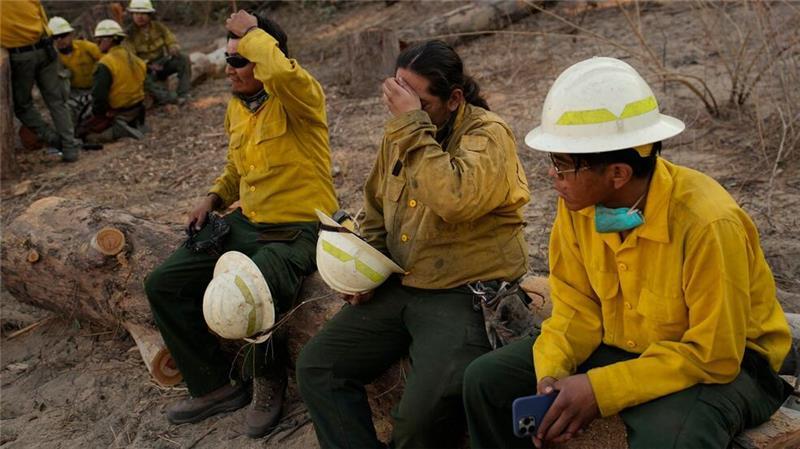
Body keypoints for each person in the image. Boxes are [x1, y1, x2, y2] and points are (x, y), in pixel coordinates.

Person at [462, 56, 792, 449]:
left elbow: (714, 355)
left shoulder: (707, 223)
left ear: (617, 173)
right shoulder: (579, 206)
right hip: (624, 344)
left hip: (731, 365)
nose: (552, 176)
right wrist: (551, 373)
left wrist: (600, 389)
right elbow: (575, 308)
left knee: (672, 439)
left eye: (562, 165)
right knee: (485, 382)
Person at [296, 40, 531, 448]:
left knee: (418, 424)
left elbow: (455, 199)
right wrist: (364, 268)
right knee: (318, 367)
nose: (402, 107)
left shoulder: (489, 135)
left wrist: (410, 126)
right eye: (398, 94)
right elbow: (374, 209)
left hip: (464, 293)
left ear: (454, 98)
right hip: (403, 282)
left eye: (416, 100)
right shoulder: (401, 134)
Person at [143, 10, 337, 439]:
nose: (229, 71)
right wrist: (212, 197)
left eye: (238, 60)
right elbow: (237, 167)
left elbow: (283, 75)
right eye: (227, 61)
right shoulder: (238, 108)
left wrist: (251, 33)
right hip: (249, 221)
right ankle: (213, 385)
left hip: (299, 228)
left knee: (259, 284)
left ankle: (268, 382)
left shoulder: (299, 97)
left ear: (265, 59)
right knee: (164, 282)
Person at [1, 0, 80, 162]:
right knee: (57, 101)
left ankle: (54, 140)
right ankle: (70, 147)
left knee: (22, 106)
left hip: (20, 55)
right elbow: (40, 12)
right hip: (45, 47)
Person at [76, 20, 146, 144]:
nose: (97, 43)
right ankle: (133, 123)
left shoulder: (105, 64)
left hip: (118, 110)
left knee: (86, 135)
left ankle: (118, 130)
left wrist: (99, 114)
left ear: (109, 39)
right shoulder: (133, 57)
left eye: (99, 40)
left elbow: (99, 97)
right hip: (138, 106)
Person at [125, 0, 191, 104]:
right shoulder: (129, 34)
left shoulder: (158, 27)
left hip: (162, 62)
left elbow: (170, 38)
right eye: (136, 13)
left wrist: (173, 46)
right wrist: (148, 66)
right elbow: (131, 57)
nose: (139, 17)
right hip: (145, 68)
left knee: (183, 58)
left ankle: (184, 93)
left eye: (143, 14)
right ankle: (170, 98)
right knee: (142, 77)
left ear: (149, 15)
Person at [48, 16, 102, 125]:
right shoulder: (52, 58)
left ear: (71, 35)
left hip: (95, 89)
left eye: (62, 36)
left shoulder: (86, 47)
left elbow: (107, 62)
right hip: (74, 94)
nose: (59, 40)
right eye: (55, 37)